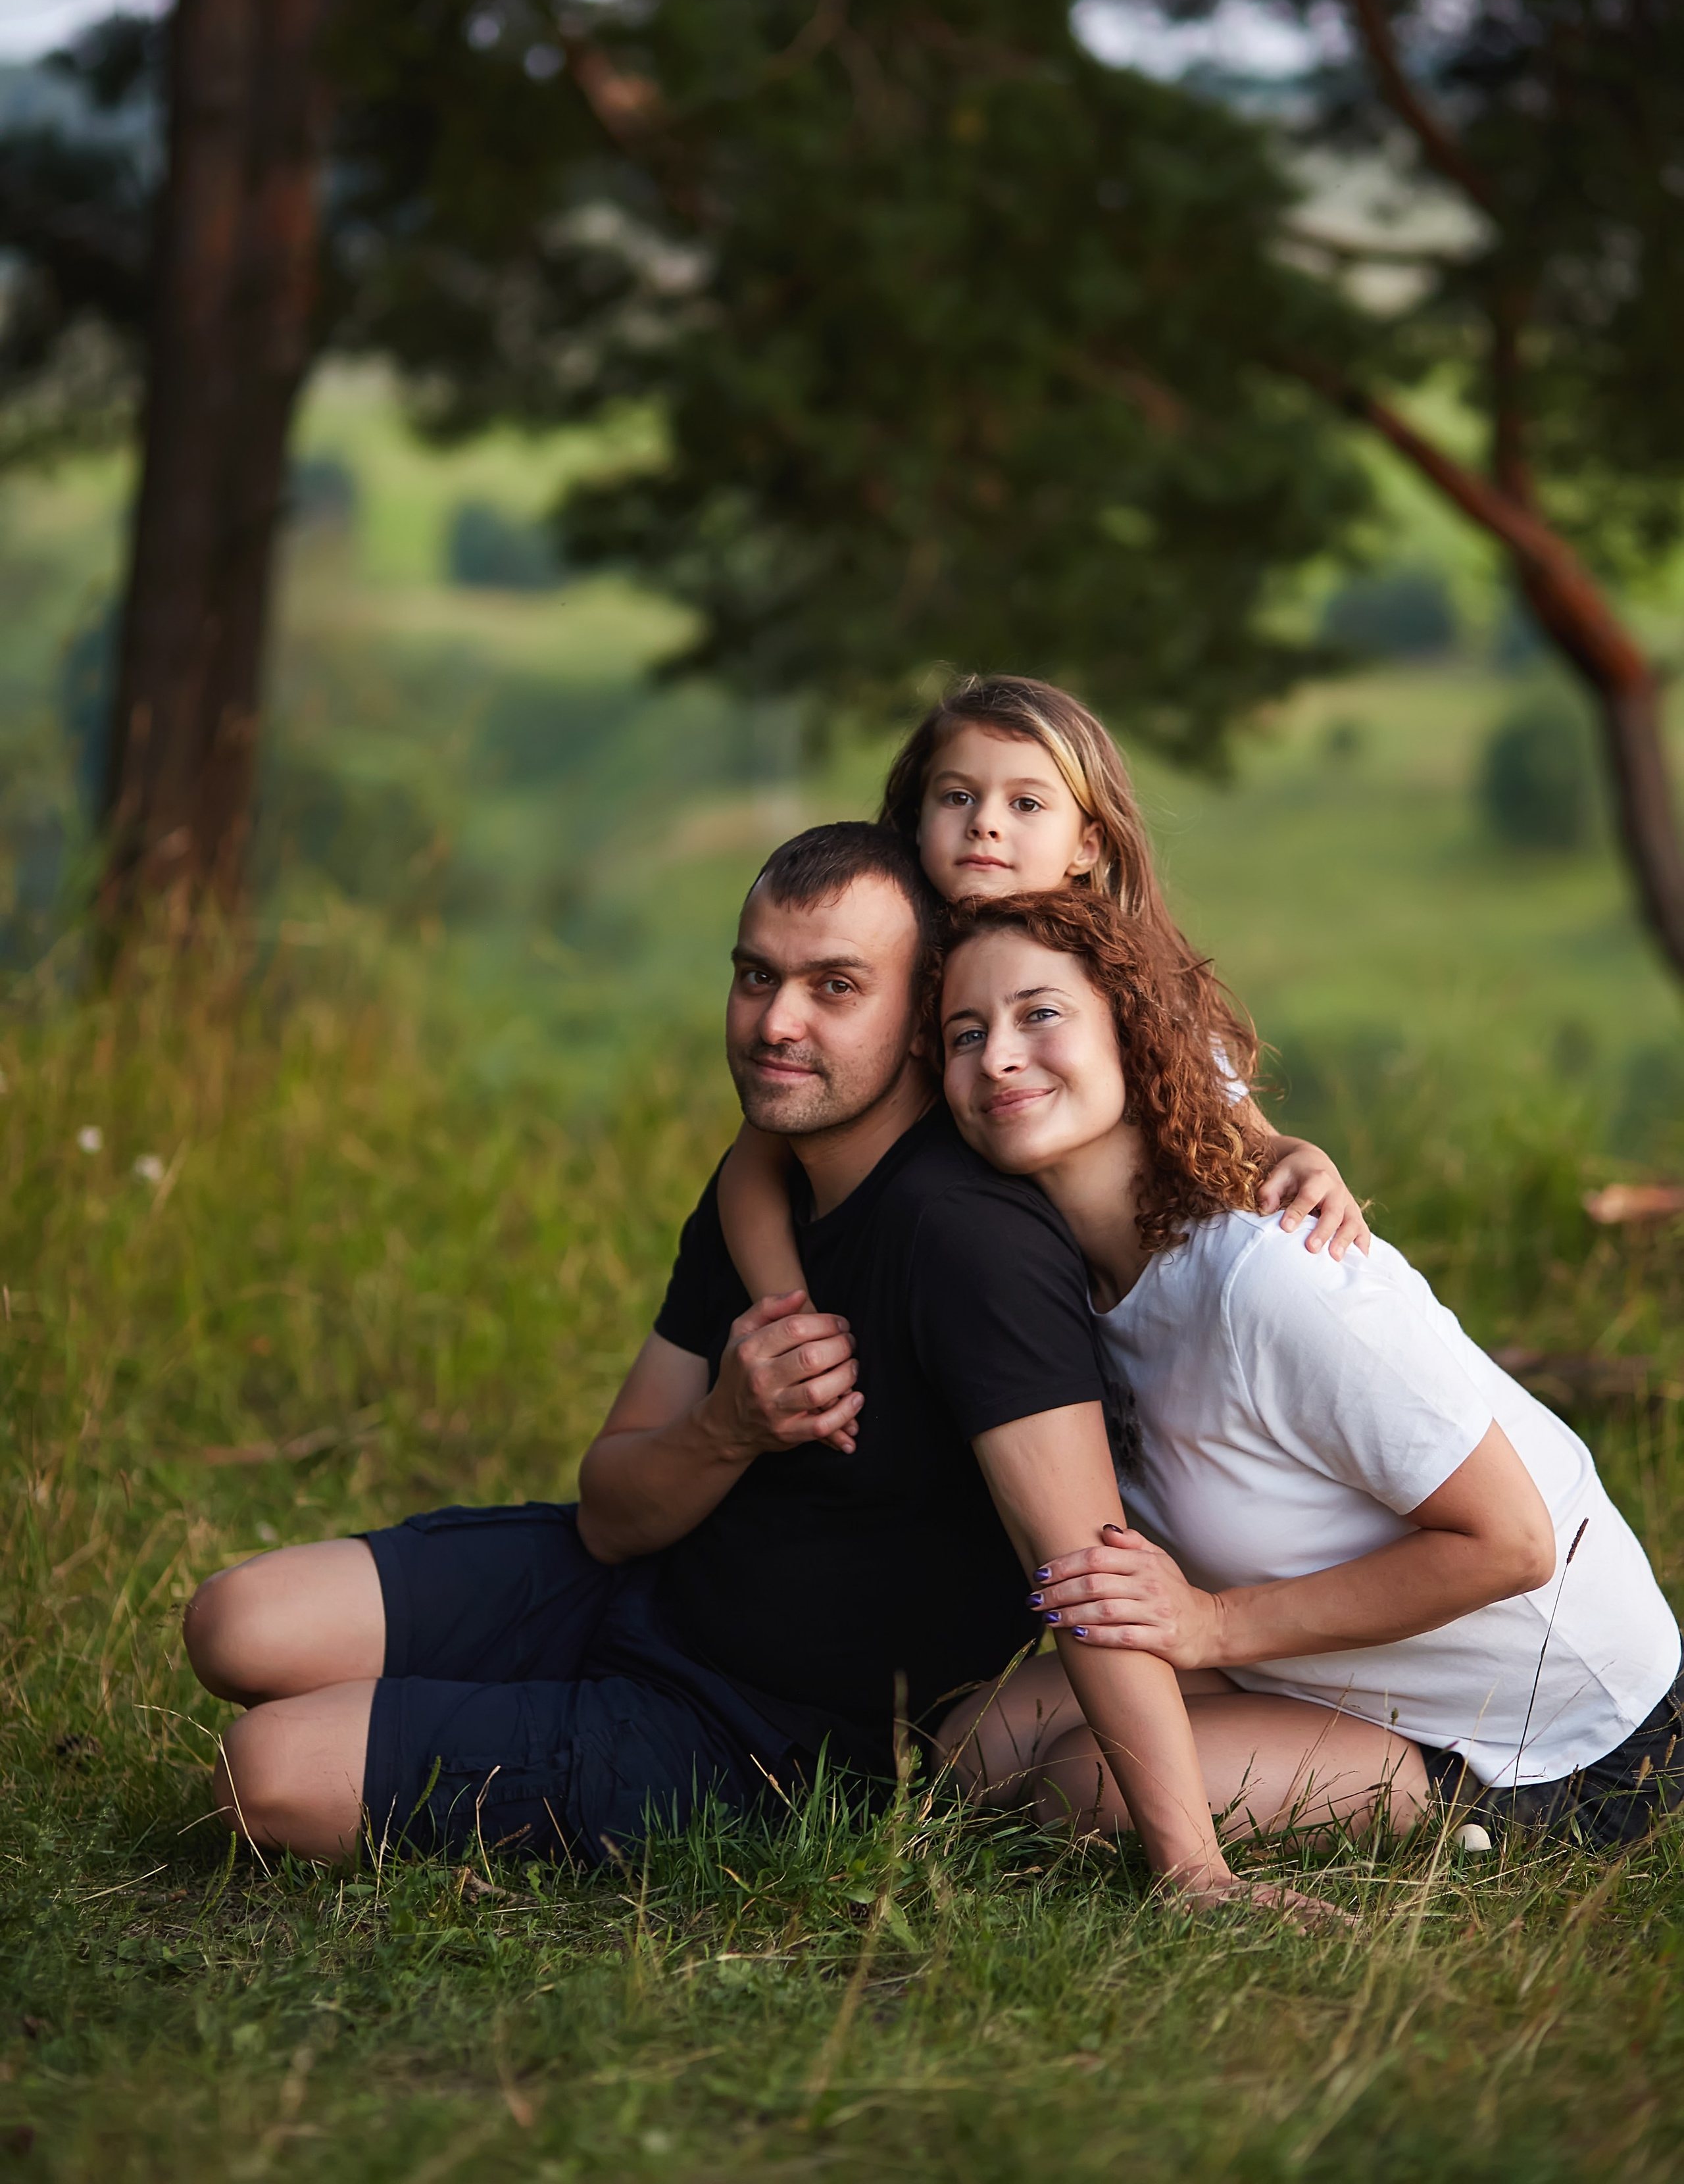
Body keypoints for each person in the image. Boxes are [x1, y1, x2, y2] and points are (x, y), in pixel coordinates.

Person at [182, 822, 1304, 1909]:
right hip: (638, 1592)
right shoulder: (770, 1180)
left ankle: (521, 1732)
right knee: (235, 1624)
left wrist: (1194, 1870)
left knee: (262, 1772)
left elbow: (1080, 1569)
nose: (776, 1022)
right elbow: (613, 1509)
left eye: (834, 987)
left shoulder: (968, 1243)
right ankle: (505, 1705)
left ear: (924, 1021)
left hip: (760, 1734)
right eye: (755, 976)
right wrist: (729, 1426)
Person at [934, 889, 1684, 1851]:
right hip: (1326, 1664)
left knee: (1087, 1789)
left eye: (1039, 1014)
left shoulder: (1269, 1277)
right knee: (971, 1750)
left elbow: (1513, 1545)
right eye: (964, 1032)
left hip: (1567, 1727)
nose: (997, 1056)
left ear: (1133, 1033)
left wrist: (1209, 1629)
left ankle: (1488, 1816)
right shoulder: (1062, 1292)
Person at [718, 672, 1368, 1316]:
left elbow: (1242, 1136)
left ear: (1086, 844)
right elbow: (752, 1164)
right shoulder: (887, 970)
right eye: (957, 797)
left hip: (1151, 1299)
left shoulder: (1125, 984)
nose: (985, 825)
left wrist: (1304, 1157)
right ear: (916, 820)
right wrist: (790, 1316)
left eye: (1025, 804)